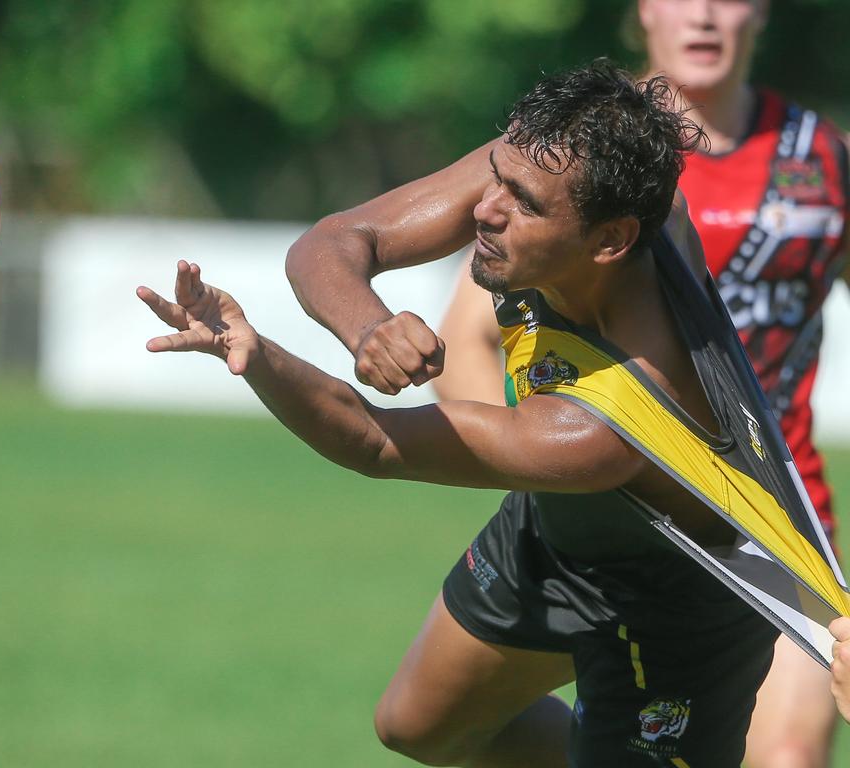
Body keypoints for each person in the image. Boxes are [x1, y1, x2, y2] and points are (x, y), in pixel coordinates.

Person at [139, 62, 803, 766]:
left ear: (610, 240)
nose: (486, 209)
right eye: (497, 175)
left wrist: (257, 357)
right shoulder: (550, 167)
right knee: (416, 726)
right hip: (556, 536)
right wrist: (368, 327)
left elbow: (374, 441)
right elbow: (332, 242)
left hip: (680, 604)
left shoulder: (607, 426)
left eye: (524, 203)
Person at [393, 3, 850, 766]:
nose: (703, 14)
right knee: (436, 729)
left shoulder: (823, 160)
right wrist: (533, 462)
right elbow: (471, 333)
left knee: (789, 757)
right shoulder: (588, 148)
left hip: (766, 532)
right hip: (600, 525)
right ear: (644, 9)